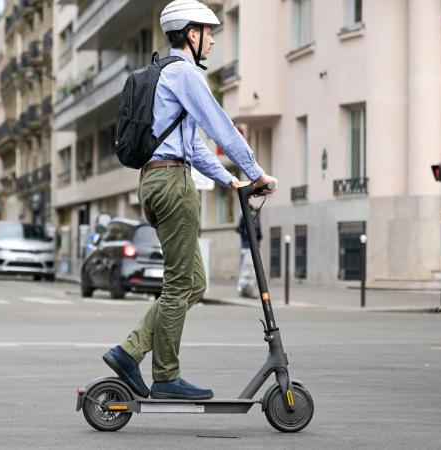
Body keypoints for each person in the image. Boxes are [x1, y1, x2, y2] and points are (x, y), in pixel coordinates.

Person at [102, 0, 279, 401]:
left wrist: (230, 181)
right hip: (173, 184)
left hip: (154, 180)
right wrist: (256, 172)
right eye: (208, 32)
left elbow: (193, 146)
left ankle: (129, 352)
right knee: (180, 281)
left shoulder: (165, 75)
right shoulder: (184, 75)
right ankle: (165, 375)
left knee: (193, 283)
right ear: (190, 34)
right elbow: (221, 126)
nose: (213, 41)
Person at [236, 206, 262, 298]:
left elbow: (238, 229)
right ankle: (248, 291)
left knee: (245, 269)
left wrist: (243, 235)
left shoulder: (243, 217)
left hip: (245, 246)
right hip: (253, 247)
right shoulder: (254, 218)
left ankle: (244, 290)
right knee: (251, 270)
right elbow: (259, 234)